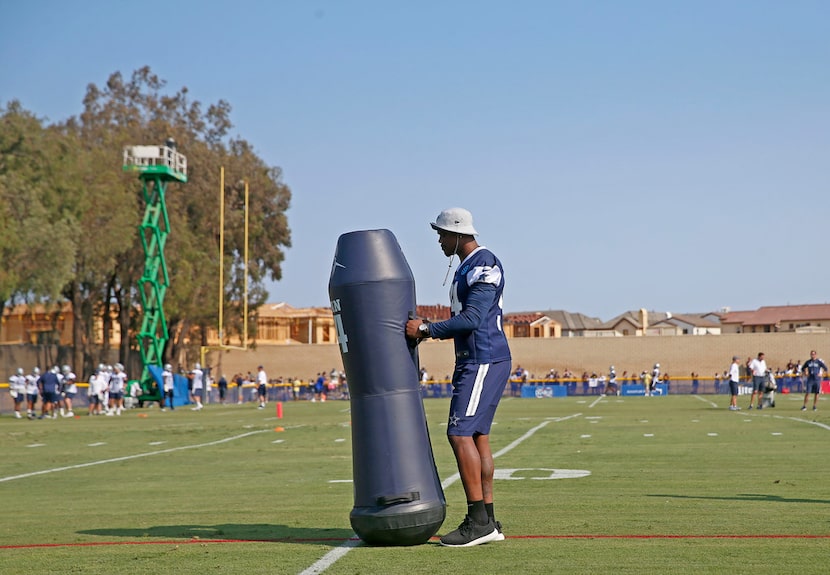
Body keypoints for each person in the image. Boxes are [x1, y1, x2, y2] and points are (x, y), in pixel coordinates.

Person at [405, 207, 509, 548]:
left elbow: (473, 319)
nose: (439, 240)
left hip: (483, 358)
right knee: (477, 436)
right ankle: (489, 519)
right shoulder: (470, 265)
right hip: (479, 358)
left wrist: (426, 329)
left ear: (458, 234)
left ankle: (478, 521)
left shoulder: (484, 263)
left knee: (459, 433)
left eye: (442, 234)